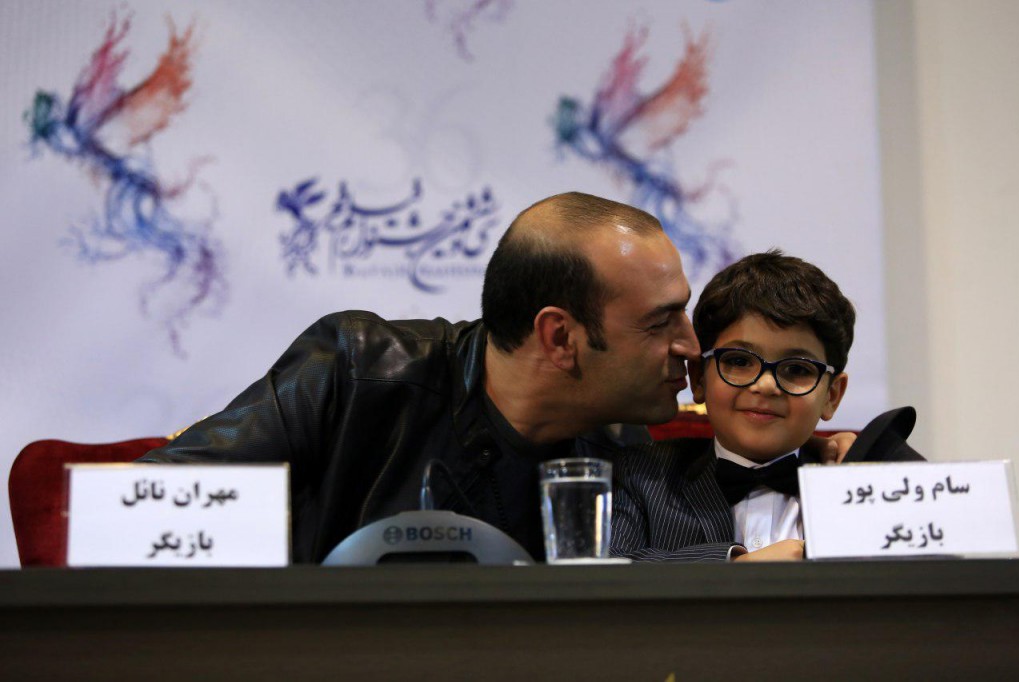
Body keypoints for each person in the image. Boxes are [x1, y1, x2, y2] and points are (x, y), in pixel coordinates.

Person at [142, 195, 851, 563]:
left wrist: (828, 462)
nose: (691, 348)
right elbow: (150, 509)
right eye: (661, 322)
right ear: (561, 338)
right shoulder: (357, 370)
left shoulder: (621, 454)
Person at [611, 250, 923, 562]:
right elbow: (608, 569)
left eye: (797, 369)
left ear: (831, 396)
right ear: (699, 378)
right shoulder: (638, 475)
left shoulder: (864, 485)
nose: (766, 385)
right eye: (738, 361)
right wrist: (735, 566)